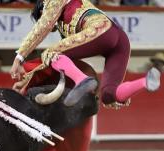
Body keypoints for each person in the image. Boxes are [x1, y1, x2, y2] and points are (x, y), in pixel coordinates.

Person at [10, 0, 161, 109]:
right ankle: (145, 82)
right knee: (109, 96)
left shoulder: (52, 2)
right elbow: (64, 59)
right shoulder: (65, 25)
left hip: (100, 30)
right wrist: (25, 83)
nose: (52, 29)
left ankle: (82, 80)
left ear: (43, 10)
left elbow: (42, 28)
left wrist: (19, 57)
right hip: (120, 39)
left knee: (50, 52)